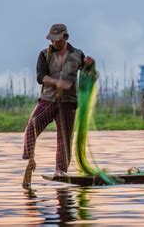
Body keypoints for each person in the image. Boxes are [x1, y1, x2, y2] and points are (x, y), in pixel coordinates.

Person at [22, 23, 93, 188]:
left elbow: (86, 70)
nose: (55, 43)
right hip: (48, 100)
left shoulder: (77, 54)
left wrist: (90, 64)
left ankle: (60, 170)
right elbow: (41, 77)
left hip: (68, 103)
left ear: (65, 38)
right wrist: (56, 82)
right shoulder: (44, 54)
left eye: (58, 40)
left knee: (65, 138)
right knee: (32, 126)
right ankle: (30, 160)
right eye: (52, 40)